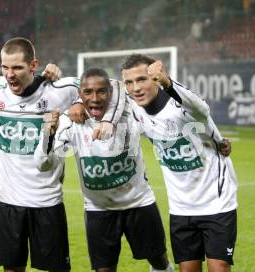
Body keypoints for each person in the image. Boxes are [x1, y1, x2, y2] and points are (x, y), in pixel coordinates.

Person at [0, 37, 125, 272]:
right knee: (11, 268)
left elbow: (115, 86)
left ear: (33, 65)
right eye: (5, 67)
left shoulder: (59, 90)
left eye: (18, 67)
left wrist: (81, 102)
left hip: (47, 201)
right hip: (6, 201)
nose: (10, 74)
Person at [34, 68, 174, 272]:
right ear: (79, 94)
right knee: (104, 270)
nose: (95, 98)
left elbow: (119, 85)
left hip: (139, 202)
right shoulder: (69, 121)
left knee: (159, 260)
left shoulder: (129, 110)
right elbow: (42, 164)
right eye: (88, 92)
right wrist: (48, 133)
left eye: (102, 91)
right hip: (98, 209)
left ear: (110, 92)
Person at [121, 54, 237, 272]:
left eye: (142, 79)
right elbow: (97, 87)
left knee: (219, 267)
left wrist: (168, 82)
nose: (135, 88)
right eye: (129, 82)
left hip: (217, 199)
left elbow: (201, 107)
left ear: (155, 79)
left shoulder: (181, 105)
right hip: (181, 205)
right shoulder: (134, 108)